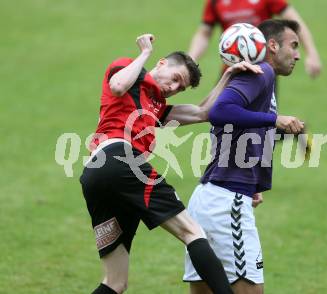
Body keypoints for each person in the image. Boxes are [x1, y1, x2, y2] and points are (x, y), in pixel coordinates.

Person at [79, 33, 262, 294]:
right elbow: (118, 85)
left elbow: (204, 113)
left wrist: (228, 76)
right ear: (162, 63)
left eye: (181, 88)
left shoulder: (156, 107)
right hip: (121, 163)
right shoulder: (126, 67)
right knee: (192, 232)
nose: (174, 88)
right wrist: (144, 54)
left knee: (115, 282)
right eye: (175, 79)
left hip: (97, 177)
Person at [183, 19, 305, 293]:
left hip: (212, 197)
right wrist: (274, 119)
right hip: (227, 203)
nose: (298, 54)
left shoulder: (257, 76)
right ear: (272, 45)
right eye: (293, 46)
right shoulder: (262, 73)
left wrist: (255, 184)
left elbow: (233, 130)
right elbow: (220, 112)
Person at [188, 0, 321, 79]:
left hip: (264, 70)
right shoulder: (215, 2)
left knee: (259, 121)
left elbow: (294, 20)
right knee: (220, 116)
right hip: (232, 69)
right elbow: (204, 33)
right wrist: (190, 60)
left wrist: (311, 53)